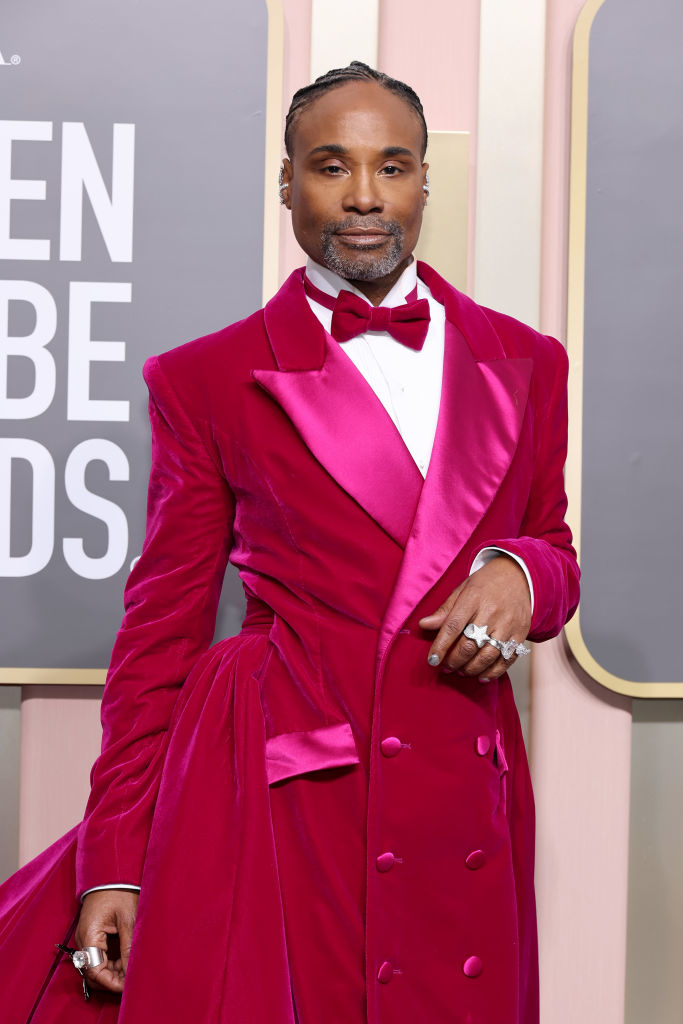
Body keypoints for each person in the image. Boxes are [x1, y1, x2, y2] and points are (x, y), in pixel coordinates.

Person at [0, 62, 579, 1024]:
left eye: (391, 166)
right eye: (330, 166)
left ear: (424, 181)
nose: (364, 196)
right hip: (286, 788)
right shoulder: (207, 378)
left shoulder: (526, 360)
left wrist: (521, 571)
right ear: (285, 182)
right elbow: (160, 634)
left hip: (459, 775)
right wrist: (116, 861)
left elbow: (551, 543)